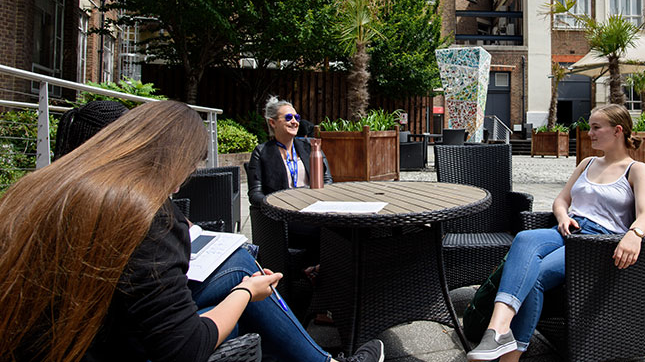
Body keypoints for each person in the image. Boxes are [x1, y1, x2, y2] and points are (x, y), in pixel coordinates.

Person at [0, 100, 383, 362]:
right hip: (106, 346)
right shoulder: (143, 215)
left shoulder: (33, 191)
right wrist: (246, 293)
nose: (183, 183)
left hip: (57, 338)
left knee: (239, 261)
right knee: (246, 286)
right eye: (189, 166)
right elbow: (185, 348)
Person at [466, 104, 645, 361]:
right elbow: (561, 200)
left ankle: (510, 356)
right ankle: (498, 330)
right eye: (590, 127)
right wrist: (563, 216)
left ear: (618, 130)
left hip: (597, 242)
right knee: (524, 238)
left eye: (596, 127)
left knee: (537, 276)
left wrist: (635, 234)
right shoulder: (588, 163)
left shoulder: (636, 169)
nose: (589, 133)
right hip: (568, 228)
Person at [247, 96, 334, 207]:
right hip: (282, 214)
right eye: (288, 117)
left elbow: (327, 180)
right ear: (273, 123)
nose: (295, 122)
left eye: (297, 117)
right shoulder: (261, 152)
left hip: (312, 208)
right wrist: (277, 204)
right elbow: (255, 194)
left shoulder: (310, 146)